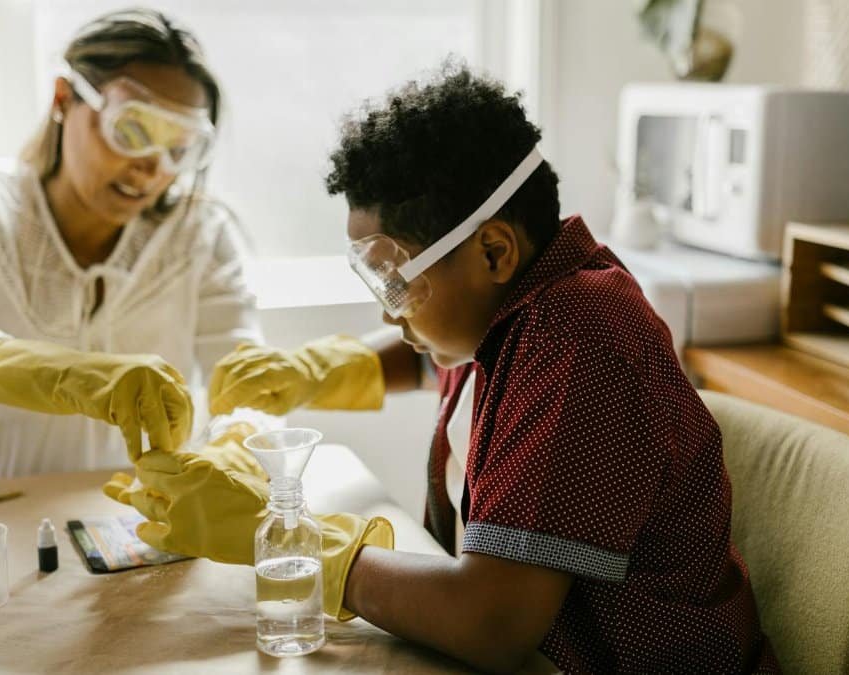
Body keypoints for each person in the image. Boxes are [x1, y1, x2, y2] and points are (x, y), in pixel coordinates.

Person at [109, 63, 780, 673]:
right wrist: (317, 368)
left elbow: (490, 621)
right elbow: (446, 359)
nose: (393, 315)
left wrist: (300, 547)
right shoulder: (519, 305)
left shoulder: (578, 334)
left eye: (397, 280)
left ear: (492, 250)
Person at [0, 8, 260, 489]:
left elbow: (244, 383)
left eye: (178, 149)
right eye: (132, 130)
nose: (150, 168)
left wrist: (236, 448)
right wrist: (62, 374)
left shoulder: (201, 234)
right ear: (63, 98)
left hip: (117, 530)